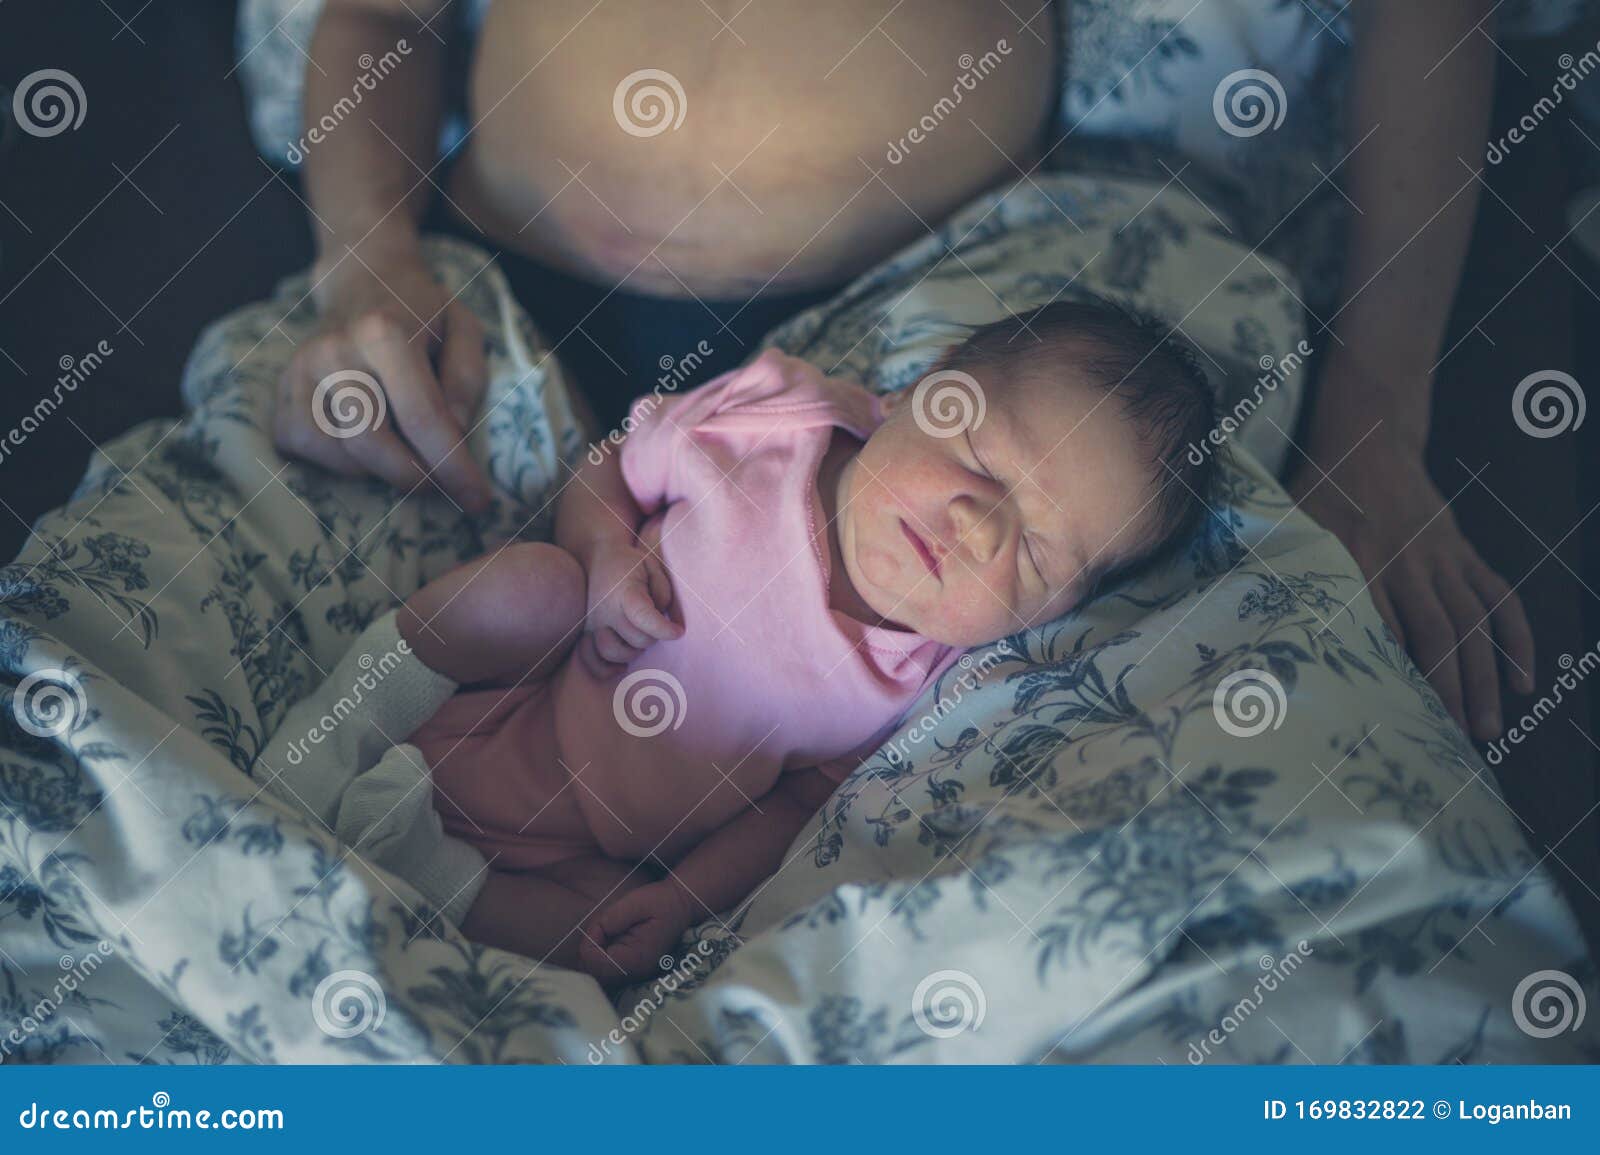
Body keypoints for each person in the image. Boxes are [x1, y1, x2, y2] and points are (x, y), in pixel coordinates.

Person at [269, 0, 1532, 753]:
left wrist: (1374, 420)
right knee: (245, 663)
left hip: (951, 335)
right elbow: (383, 16)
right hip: (464, 295)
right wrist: (365, 257)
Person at [260, 302, 1220, 982]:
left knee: (605, 940)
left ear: (1049, 615)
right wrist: (602, 555)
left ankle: (426, 869)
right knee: (530, 587)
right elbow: (611, 467)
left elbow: (790, 810)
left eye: (1036, 553)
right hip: (518, 681)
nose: (976, 525)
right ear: (921, 392)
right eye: (979, 458)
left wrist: (683, 899)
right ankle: (342, 728)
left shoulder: (915, 684)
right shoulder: (777, 423)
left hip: (581, 846)